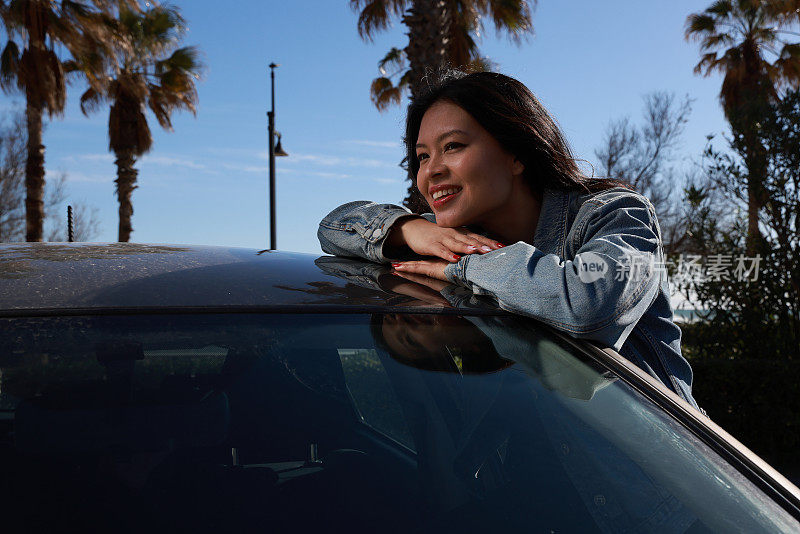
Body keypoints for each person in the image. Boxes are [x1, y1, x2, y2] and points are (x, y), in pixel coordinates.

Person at [317, 69, 700, 411]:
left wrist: (465, 265)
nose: (431, 171)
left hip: (661, 471)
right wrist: (406, 228)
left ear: (516, 154)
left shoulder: (613, 214)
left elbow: (588, 303)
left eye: (453, 146)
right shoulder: (443, 237)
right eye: (421, 156)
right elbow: (333, 227)